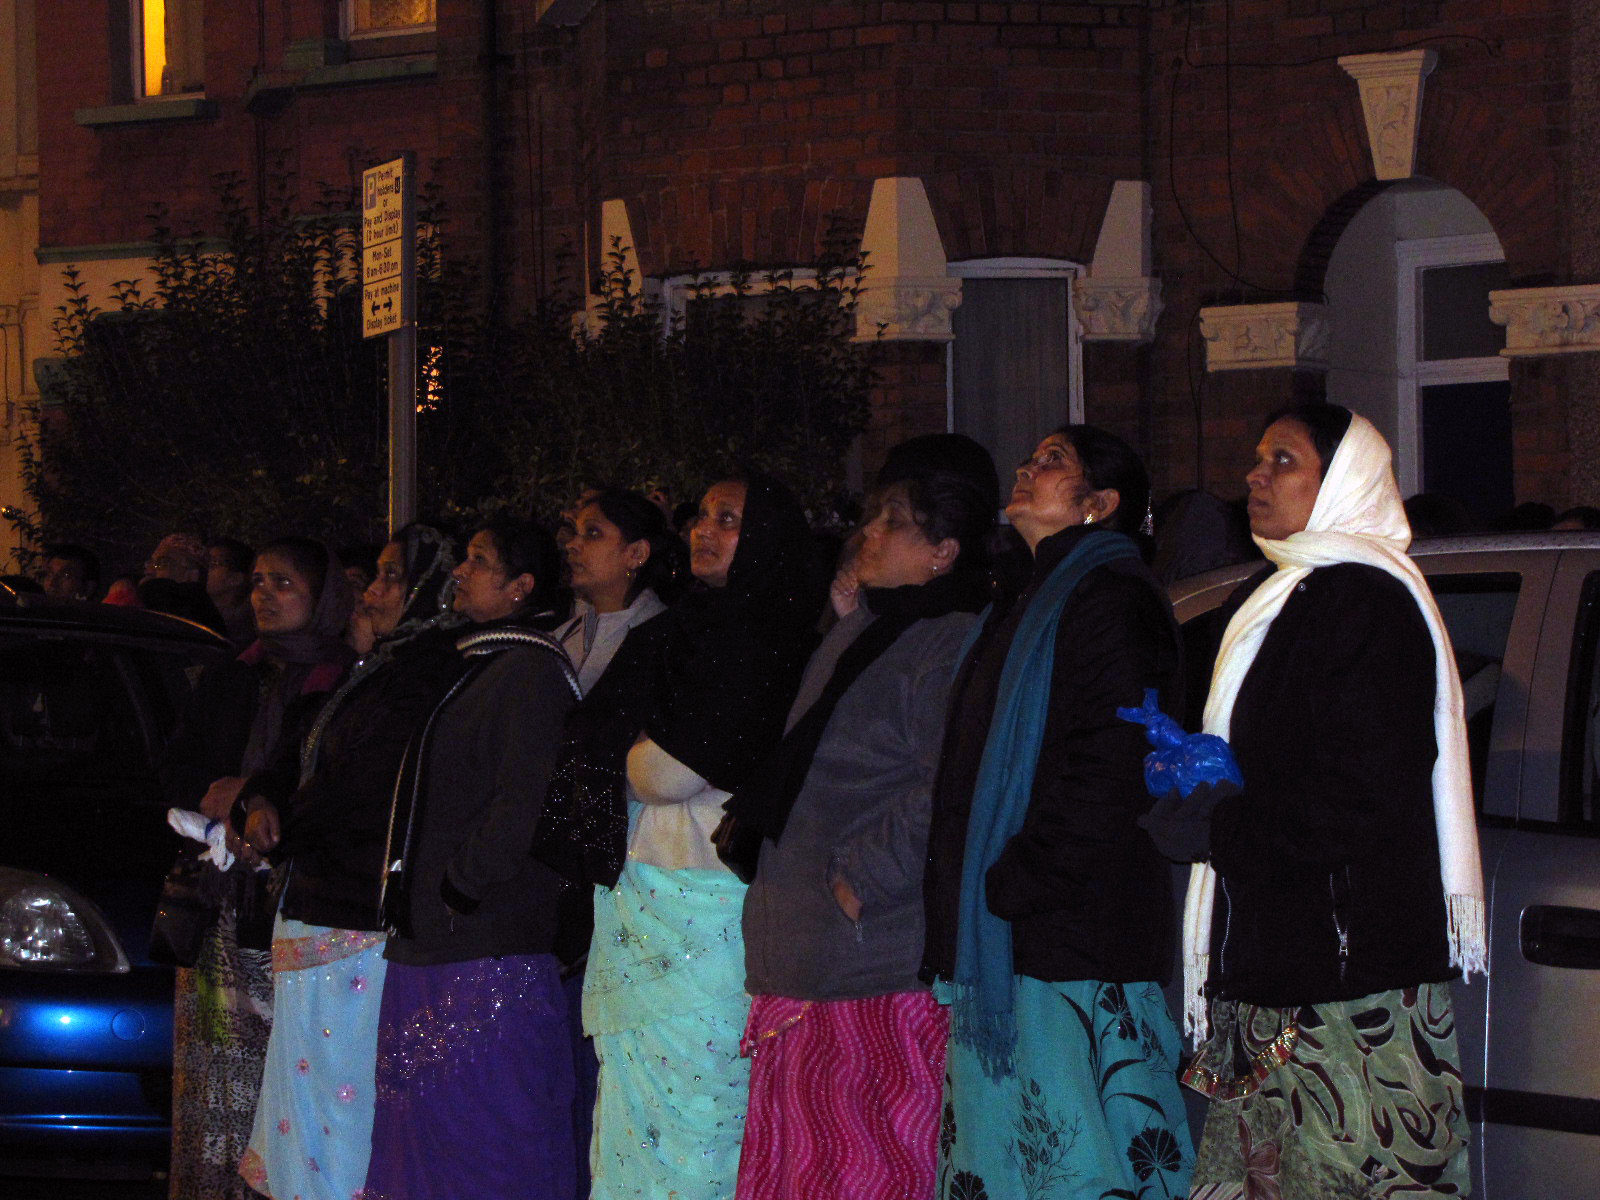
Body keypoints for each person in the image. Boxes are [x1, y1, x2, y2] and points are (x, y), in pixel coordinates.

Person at [1142, 404, 1484, 1199]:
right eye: (1259, 459)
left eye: (1284, 461)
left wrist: (1219, 819)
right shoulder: (1283, 595)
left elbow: (1361, 797)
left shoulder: (1363, 601)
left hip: (1345, 990)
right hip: (1283, 969)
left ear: (1344, 481)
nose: (1255, 477)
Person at [922, 424, 1193, 1200]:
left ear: (1098, 503)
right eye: (1033, 455)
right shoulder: (1027, 597)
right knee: (1014, 1164)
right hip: (1018, 940)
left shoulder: (1110, 600)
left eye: (1052, 462)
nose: (1026, 467)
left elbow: (1113, 764)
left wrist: (1018, 883)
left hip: (1071, 944)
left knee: (1080, 1164)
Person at [732, 439, 997, 1200]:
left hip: (869, 971)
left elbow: (951, 782)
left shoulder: (947, 641)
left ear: (943, 552)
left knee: (866, 1174)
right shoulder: (872, 629)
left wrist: (861, 879)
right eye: (872, 518)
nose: (868, 535)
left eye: (893, 523)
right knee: (802, 1173)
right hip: (808, 960)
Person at [582, 471, 820, 1200]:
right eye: (704, 516)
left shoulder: (768, 634)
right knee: (632, 1116)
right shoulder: (688, 627)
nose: (705, 531)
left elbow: (666, 773)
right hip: (643, 895)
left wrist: (628, 759)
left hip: (709, 910)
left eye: (730, 519)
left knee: (703, 1114)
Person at [235, 526, 466, 1200]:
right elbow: (295, 755)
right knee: (305, 1102)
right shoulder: (374, 671)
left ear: (431, 592)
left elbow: (362, 792)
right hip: (316, 903)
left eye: (393, 577)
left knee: (345, 1102)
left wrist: (285, 825)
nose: (373, 591)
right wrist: (259, 802)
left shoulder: (426, 676)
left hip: (358, 919)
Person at [364, 517, 590, 1200]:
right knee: (424, 1136)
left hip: (484, 946)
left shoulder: (531, 671)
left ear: (522, 587)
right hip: (434, 943)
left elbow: (523, 803)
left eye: (481, 560)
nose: (460, 572)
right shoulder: (476, 666)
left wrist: (459, 886)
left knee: (488, 1137)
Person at [163, 539, 355, 1200]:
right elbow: (178, 765)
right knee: (217, 1075)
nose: (264, 595)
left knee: (287, 1075)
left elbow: (333, 787)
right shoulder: (236, 672)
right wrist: (215, 797)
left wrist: (259, 798)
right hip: (221, 905)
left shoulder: (344, 679)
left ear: (322, 595)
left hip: (298, 911)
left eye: (284, 583)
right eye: (258, 582)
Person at [557, 488, 678, 691]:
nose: (572, 545)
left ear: (637, 553)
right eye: (576, 533)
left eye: (593, 533)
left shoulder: (667, 645)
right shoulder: (563, 636)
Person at [207, 536, 257, 649]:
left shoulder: (246, 629)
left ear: (235, 579)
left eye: (212, 563)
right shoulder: (200, 612)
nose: (203, 568)